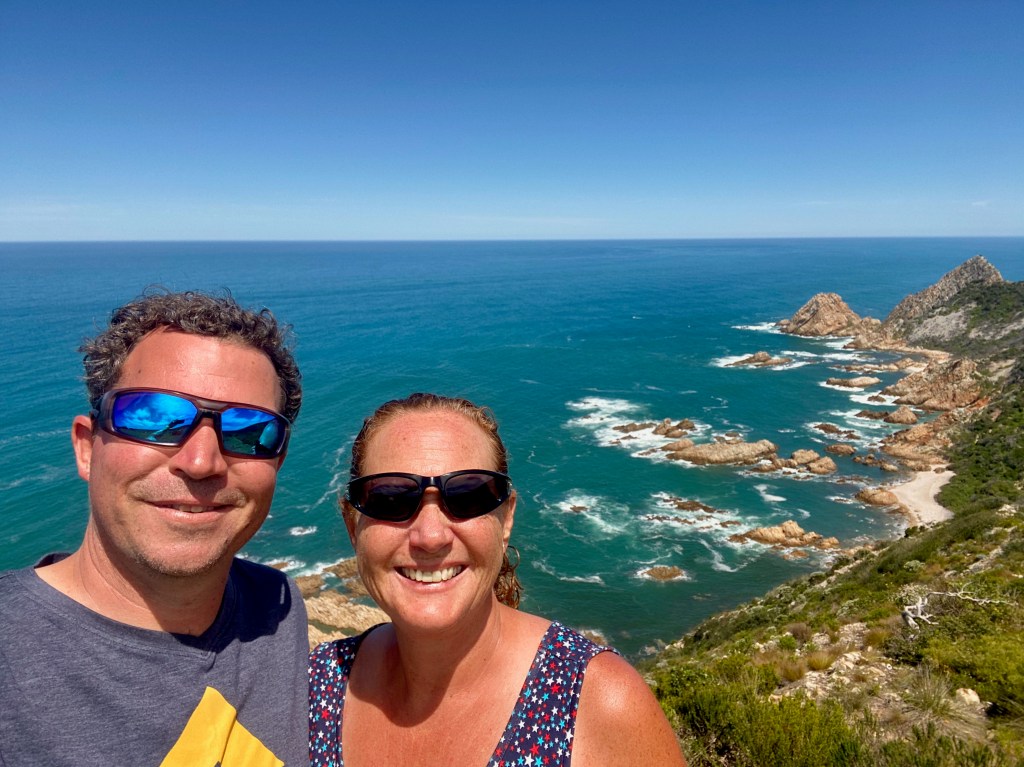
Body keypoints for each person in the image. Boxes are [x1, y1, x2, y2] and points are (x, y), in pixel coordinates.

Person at [0, 290, 309, 766]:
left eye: (249, 430)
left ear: (277, 461)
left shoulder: (278, 610)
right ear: (87, 447)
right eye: (154, 418)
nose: (202, 462)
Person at [310, 393, 687, 766]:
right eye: (390, 497)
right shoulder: (313, 687)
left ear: (506, 520)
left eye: (468, 494)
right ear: (352, 525)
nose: (430, 536)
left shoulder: (597, 701)